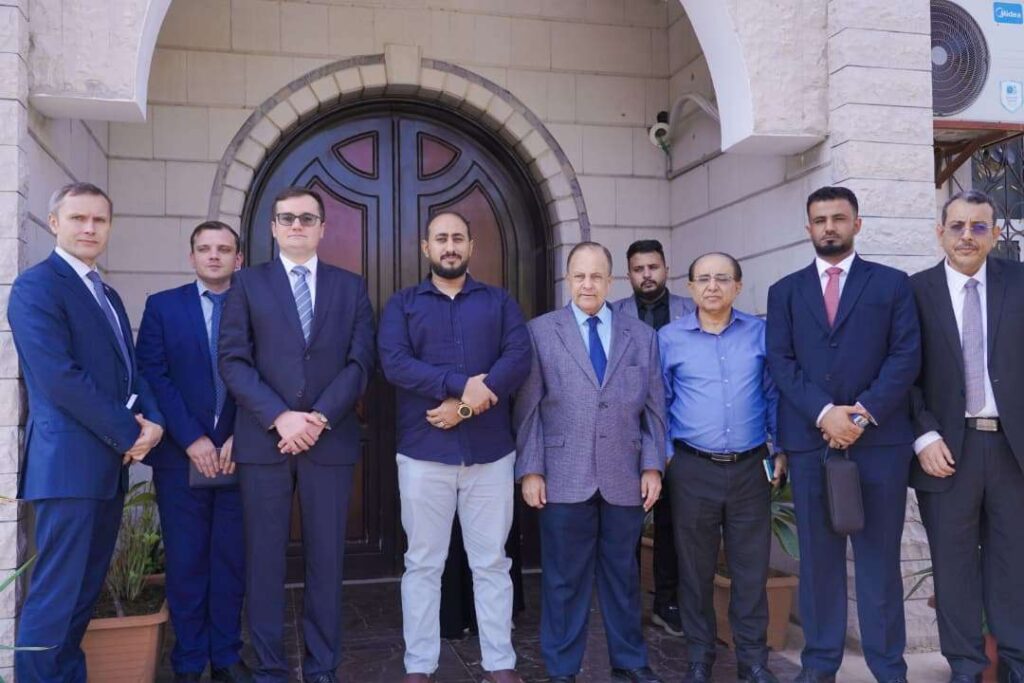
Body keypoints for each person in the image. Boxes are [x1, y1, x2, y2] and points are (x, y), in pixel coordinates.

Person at [9, 182, 165, 682]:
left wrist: (154, 424)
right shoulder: (37, 287)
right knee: (56, 600)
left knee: (80, 600)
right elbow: (60, 379)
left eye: (99, 220)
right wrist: (128, 433)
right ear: (55, 223)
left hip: (106, 471)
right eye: (78, 218)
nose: (89, 228)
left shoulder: (107, 293)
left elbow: (129, 372)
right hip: (68, 471)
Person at [218, 187, 375, 683]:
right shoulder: (247, 284)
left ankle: (323, 665)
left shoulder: (351, 287)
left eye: (307, 218)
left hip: (329, 441)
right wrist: (281, 417)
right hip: (264, 441)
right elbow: (233, 360)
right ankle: (269, 666)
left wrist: (319, 417)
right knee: (263, 560)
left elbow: (360, 362)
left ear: (323, 228)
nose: (297, 226)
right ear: (273, 228)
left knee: (326, 560)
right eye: (287, 218)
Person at [766, 186, 920, 683]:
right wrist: (825, 413)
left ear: (857, 223)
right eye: (820, 219)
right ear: (807, 227)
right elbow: (781, 362)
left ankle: (888, 668)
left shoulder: (892, 285)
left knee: (878, 562)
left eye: (838, 218)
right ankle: (819, 666)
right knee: (818, 563)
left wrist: (861, 415)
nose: (829, 227)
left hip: (879, 445)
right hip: (811, 443)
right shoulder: (785, 292)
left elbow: (905, 356)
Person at [378, 211, 531, 683]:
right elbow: (395, 363)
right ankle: (419, 667)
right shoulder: (402, 305)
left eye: (458, 238)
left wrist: (463, 407)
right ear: (426, 248)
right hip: (424, 454)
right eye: (441, 239)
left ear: (471, 246)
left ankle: (500, 663)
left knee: (492, 563)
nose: (450, 246)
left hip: (490, 454)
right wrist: (460, 384)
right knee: (423, 564)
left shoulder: (499, 302)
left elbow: (518, 358)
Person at [515, 241, 666, 683]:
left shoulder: (642, 336)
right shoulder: (540, 332)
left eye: (596, 276)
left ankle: (630, 661)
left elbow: (655, 409)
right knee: (563, 580)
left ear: (610, 281)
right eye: (579, 276)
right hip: (563, 474)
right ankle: (562, 668)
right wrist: (531, 469)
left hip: (625, 474)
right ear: (568, 279)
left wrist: (653, 466)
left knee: (623, 576)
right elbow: (528, 408)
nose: (587, 284)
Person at [910, 189, 1024, 683]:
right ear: (940, 232)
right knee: (953, 566)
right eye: (957, 226)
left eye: (979, 227)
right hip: (945, 450)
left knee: (1014, 563)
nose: (967, 236)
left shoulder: (1020, 282)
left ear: (994, 234)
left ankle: (1017, 664)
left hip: (1013, 449)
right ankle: (965, 666)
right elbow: (902, 376)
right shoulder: (914, 292)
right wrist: (923, 436)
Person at [660, 252, 784, 683]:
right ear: (691, 287)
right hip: (692, 468)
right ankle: (700, 658)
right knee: (694, 571)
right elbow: (659, 402)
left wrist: (780, 449)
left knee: (751, 570)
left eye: (722, 278)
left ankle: (753, 662)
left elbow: (773, 395)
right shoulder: (669, 339)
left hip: (751, 468)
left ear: (738, 286)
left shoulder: (760, 334)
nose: (712, 286)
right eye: (704, 279)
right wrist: (667, 457)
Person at [136, 221, 251, 683]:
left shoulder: (258, 307)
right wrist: (191, 439)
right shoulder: (163, 307)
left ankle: (225, 655)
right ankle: (188, 660)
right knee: (185, 562)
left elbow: (269, 374)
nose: (214, 256)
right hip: (180, 458)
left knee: (230, 561)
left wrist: (242, 434)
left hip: (241, 453)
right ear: (192, 257)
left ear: (238, 259)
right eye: (205, 249)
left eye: (224, 249)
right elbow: (152, 375)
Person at [613, 238, 694, 637]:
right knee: (626, 524)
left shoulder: (691, 310)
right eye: (638, 269)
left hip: (680, 434)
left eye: (653, 267)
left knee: (672, 524)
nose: (647, 275)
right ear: (628, 274)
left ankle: (667, 603)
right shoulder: (613, 316)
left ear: (666, 268)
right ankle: (625, 607)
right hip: (628, 435)